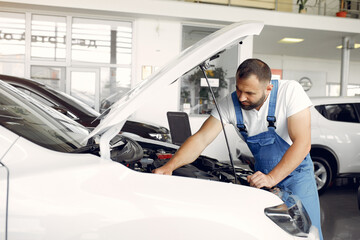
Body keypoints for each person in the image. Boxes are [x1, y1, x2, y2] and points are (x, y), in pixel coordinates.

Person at [153, 58, 323, 239]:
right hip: (261, 176)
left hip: (297, 176)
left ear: (268, 89)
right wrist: (169, 166)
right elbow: (201, 139)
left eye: (249, 93)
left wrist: (272, 177)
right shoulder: (230, 104)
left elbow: (302, 144)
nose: (241, 97)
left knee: (306, 232)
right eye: (239, 89)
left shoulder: (290, 91)